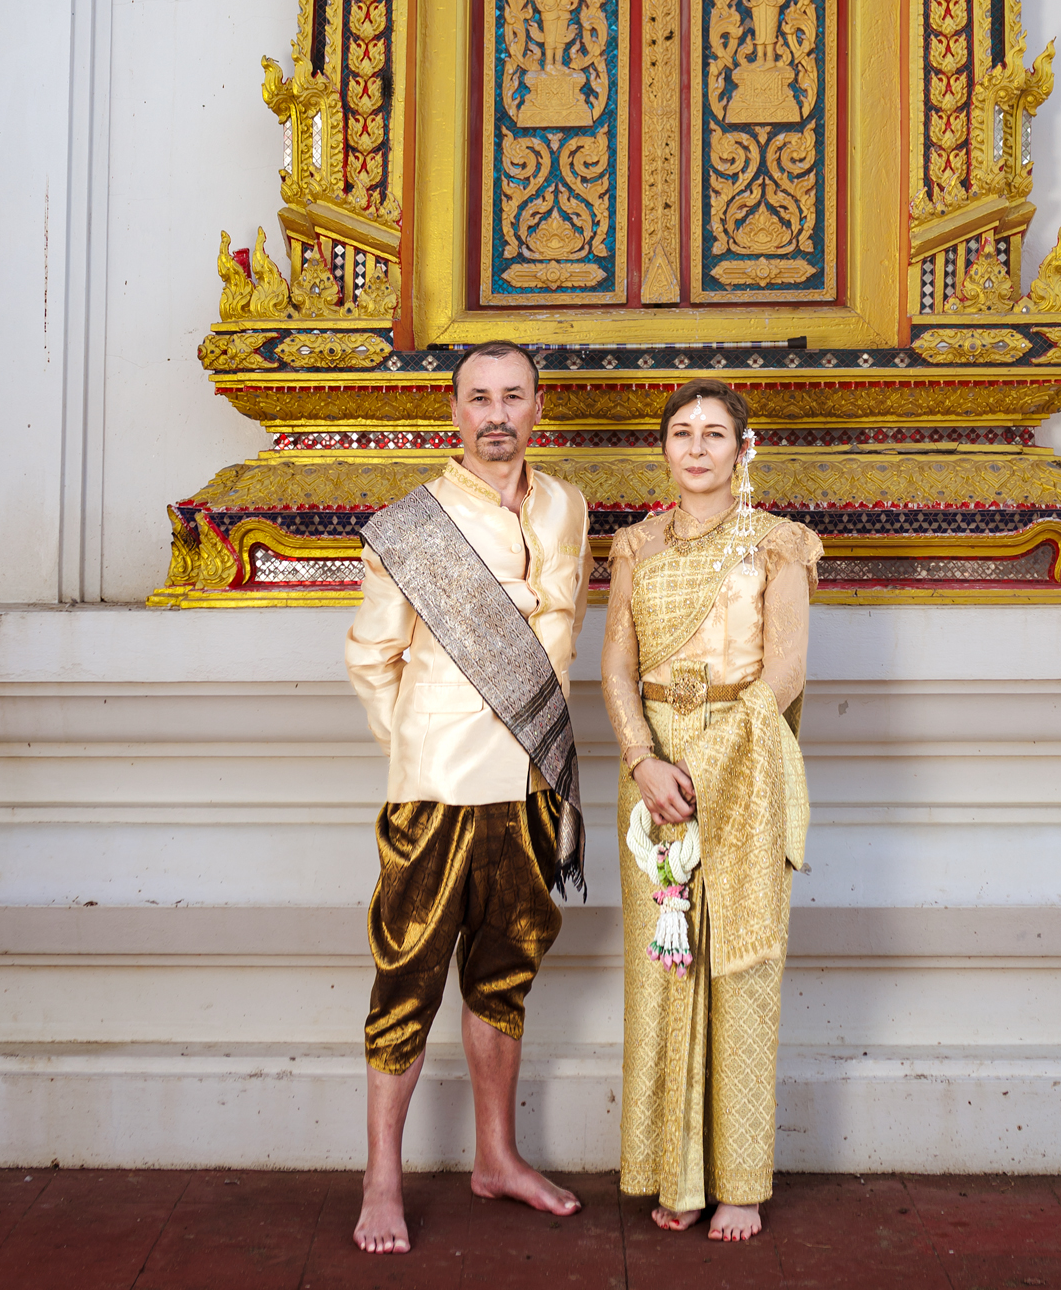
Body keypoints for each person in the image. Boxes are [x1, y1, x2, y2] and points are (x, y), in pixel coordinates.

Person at [344, 340, 590, 1256]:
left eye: (513, 397)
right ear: (454, 413)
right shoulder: (412, 527)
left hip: (534, 781)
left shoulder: (567, 505)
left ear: (536, 408)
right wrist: (420, 752)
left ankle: (497, 1157)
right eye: (478, 398)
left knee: (506, 972)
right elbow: (373, 661)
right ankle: (381, 1182)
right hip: (439, 790)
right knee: (407, 979)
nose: (496, 414)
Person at [601, 377, 822, 1242]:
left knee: (737, 967)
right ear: (665, 449)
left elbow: (785, 672)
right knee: (664, 967)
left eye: (714, 434)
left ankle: (738, 1182)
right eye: (682, 433)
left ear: (743, 448)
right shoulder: (635, 548)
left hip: (745, 766)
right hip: (653, 776)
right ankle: (671, 1172)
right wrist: (645, 761)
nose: (697, 448)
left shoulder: (776, 545)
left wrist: (716, 758)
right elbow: (617, 668)